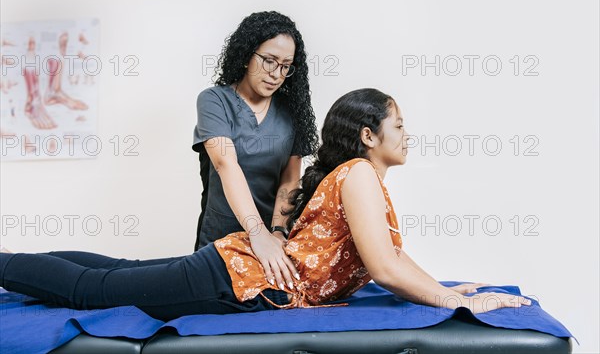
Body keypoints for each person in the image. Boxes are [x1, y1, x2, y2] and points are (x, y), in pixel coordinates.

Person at [0, 88, 531, 322]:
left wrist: (442, 287)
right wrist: (452, 304)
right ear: (369, 135)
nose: (408, 135)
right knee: (96, 291)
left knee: (118, 272)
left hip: (238, 273)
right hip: (239, 279)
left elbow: (393, 255)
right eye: (399, 126)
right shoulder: (360, 176)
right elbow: (385, 267)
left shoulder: (360, 176)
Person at [191, 11, 318, 292]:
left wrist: (277, 233)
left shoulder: (291, 113)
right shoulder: (214, 101)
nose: (276, 74)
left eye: (286, 66)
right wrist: (256, 232)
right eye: (269, 61)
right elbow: (226, 164)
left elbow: (289, 180)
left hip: (271, 246)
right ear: (248, 55)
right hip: (220, 240)